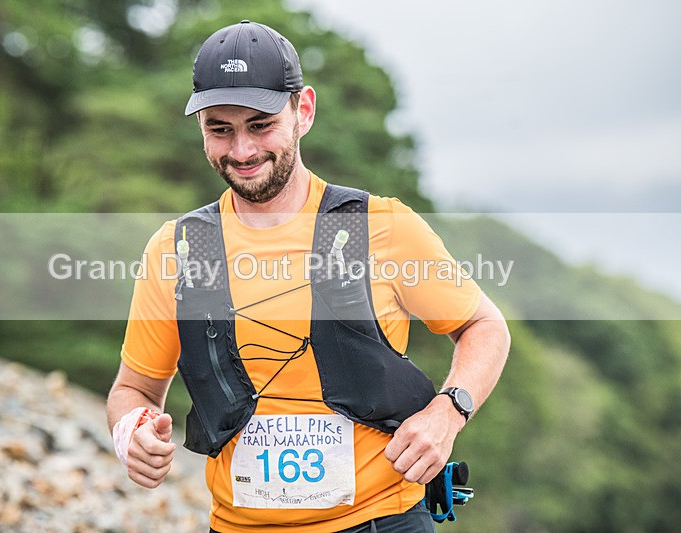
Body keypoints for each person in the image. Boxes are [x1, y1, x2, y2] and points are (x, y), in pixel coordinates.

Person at [107, 20, 510, 533]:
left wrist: (448, 412)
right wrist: (132, 430)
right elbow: (134, 389)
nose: (242, 151)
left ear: (304, 111)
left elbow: (484, 326)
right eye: (220, 129)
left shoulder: (378, 227)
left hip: (381, 521)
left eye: (260, 124)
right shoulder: (177, 249)